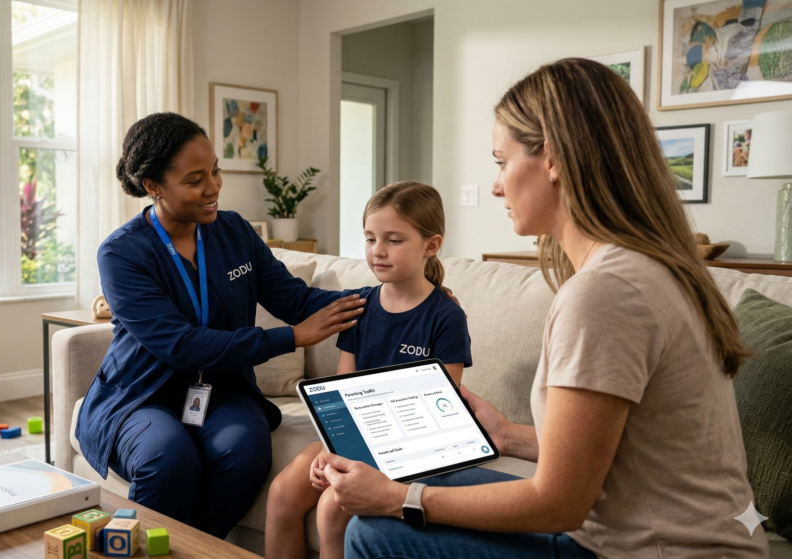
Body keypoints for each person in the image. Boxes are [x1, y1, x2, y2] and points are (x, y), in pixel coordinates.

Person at [318, 58, 769, 558]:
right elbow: (622, 455)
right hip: (669, 537)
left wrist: (400, 497)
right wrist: (509, 437)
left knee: (372, 532)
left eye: (500, 162)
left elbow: (559, 503)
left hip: (652, 551)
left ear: (551, 159)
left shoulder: (606, 294)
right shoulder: (650, 268)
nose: (495, 186)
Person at [75, 113, 368, 540]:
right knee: (167, 457)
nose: (213, 186)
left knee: (245, 449)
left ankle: (196, 548)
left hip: (222, 390)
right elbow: (180, 344)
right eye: (195, 179)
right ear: (154, 186)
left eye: (215, 170)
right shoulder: (122, 254)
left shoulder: (235, 232)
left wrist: (395, 299)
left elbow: (295, 298)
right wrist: (291, 337)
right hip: (142, 395)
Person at [265, 182, 471, 559]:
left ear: (431, 245)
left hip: (412, 446)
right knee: (282, 494)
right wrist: (333, 451)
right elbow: (343, 393)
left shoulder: (447, 317)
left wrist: (356, 459)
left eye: (393, 240)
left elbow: (442, 411)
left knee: (331, 507)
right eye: (370, 238)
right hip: (355, 437)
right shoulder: (358, 306)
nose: (378, 251)